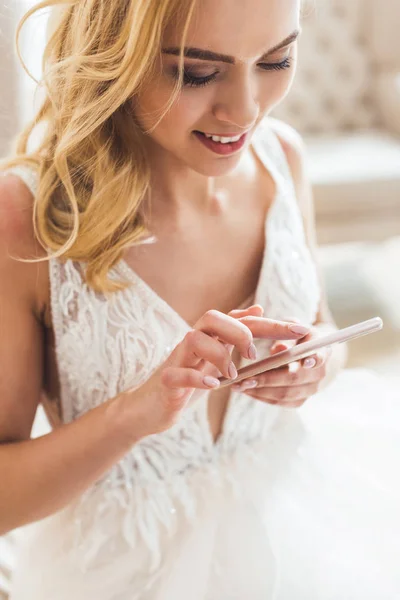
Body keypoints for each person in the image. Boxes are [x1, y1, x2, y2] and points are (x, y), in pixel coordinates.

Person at [1, 0, 400, 598]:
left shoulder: (282, 159)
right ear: (115, 55)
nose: (245, 110)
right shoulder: (26, 219)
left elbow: (323, 327)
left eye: (277, 59)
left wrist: (318, 361)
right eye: (197, 72)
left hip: (297, 527)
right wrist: (134, 414)